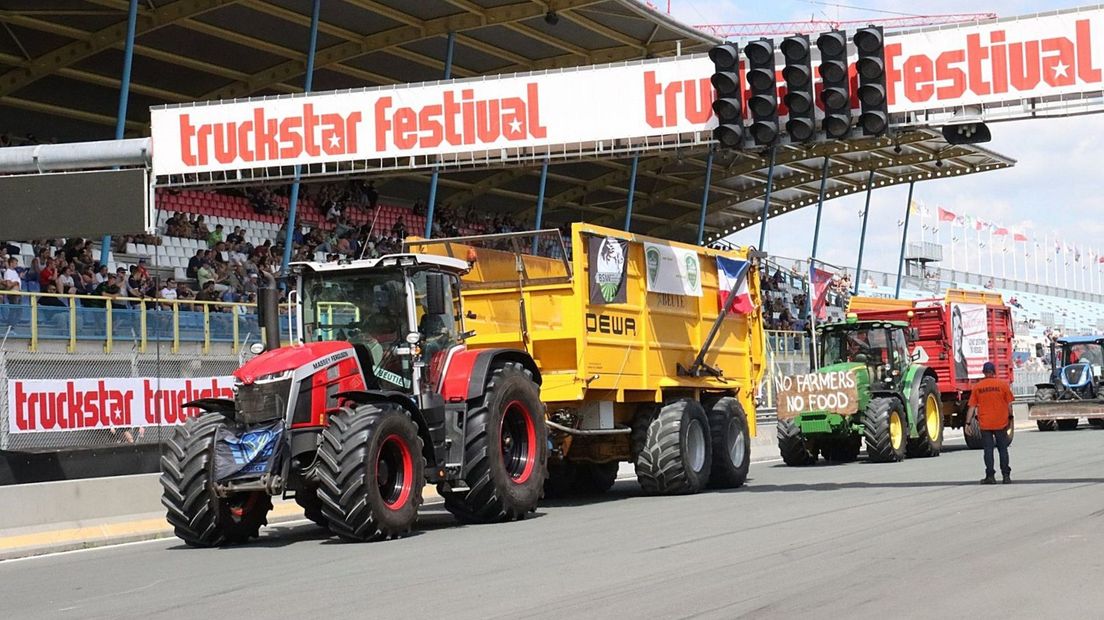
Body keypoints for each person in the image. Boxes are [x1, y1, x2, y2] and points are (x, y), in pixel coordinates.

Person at [967, 361, 1014, 484]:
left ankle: (990, 476)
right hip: (1001, 422)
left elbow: (972, 407)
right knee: (1002, 449)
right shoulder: (1002, 385)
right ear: (994, 372)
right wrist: (1010, 418)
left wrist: (967, 424)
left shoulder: (977, 387)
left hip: (985, 423)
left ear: (983, 372)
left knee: (988, 450)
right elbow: (1009, 404)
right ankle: (1006, 476)